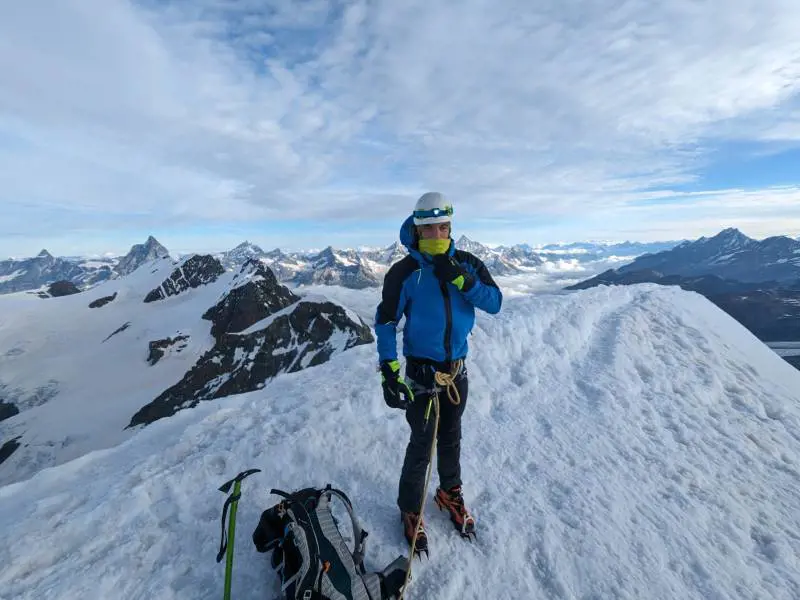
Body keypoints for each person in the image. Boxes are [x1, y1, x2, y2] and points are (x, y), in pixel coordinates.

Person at [374, 191, 503, 555]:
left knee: (450, 436)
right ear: (417, 230)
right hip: (421, 375)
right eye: (429, 228)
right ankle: (411, 510)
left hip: (456, 372)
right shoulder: (405, 273)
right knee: (421, 443)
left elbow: (495, 302)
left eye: (443, 227)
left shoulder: (467, 264)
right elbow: (386, 321)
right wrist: (389, 368)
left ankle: (449, 492)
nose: (437, 234)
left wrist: (462, 280)